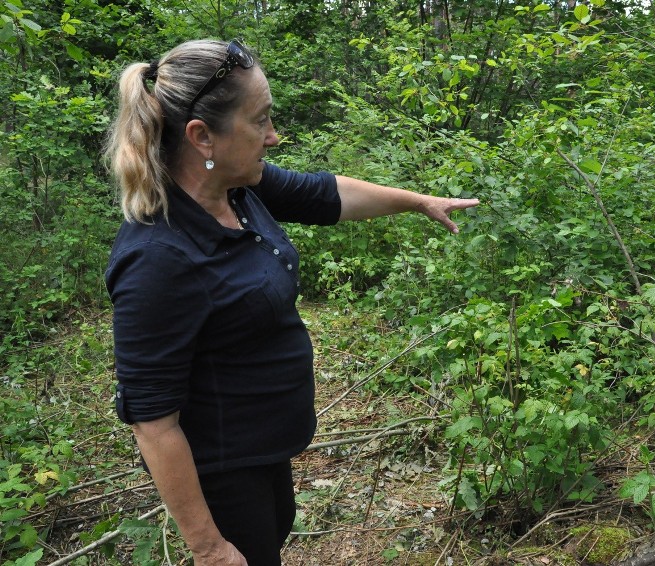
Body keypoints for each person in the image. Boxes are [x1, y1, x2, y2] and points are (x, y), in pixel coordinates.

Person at [104, 39, 478, 566]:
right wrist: (209, 547)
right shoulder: (158, 259)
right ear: (202, 135)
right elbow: (152, 421)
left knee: (274, 534)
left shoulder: (235, 189)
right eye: (260, 122)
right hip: (222, 470)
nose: (274, 137)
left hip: (264, 450)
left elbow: (326, 195)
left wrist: (419, 202)